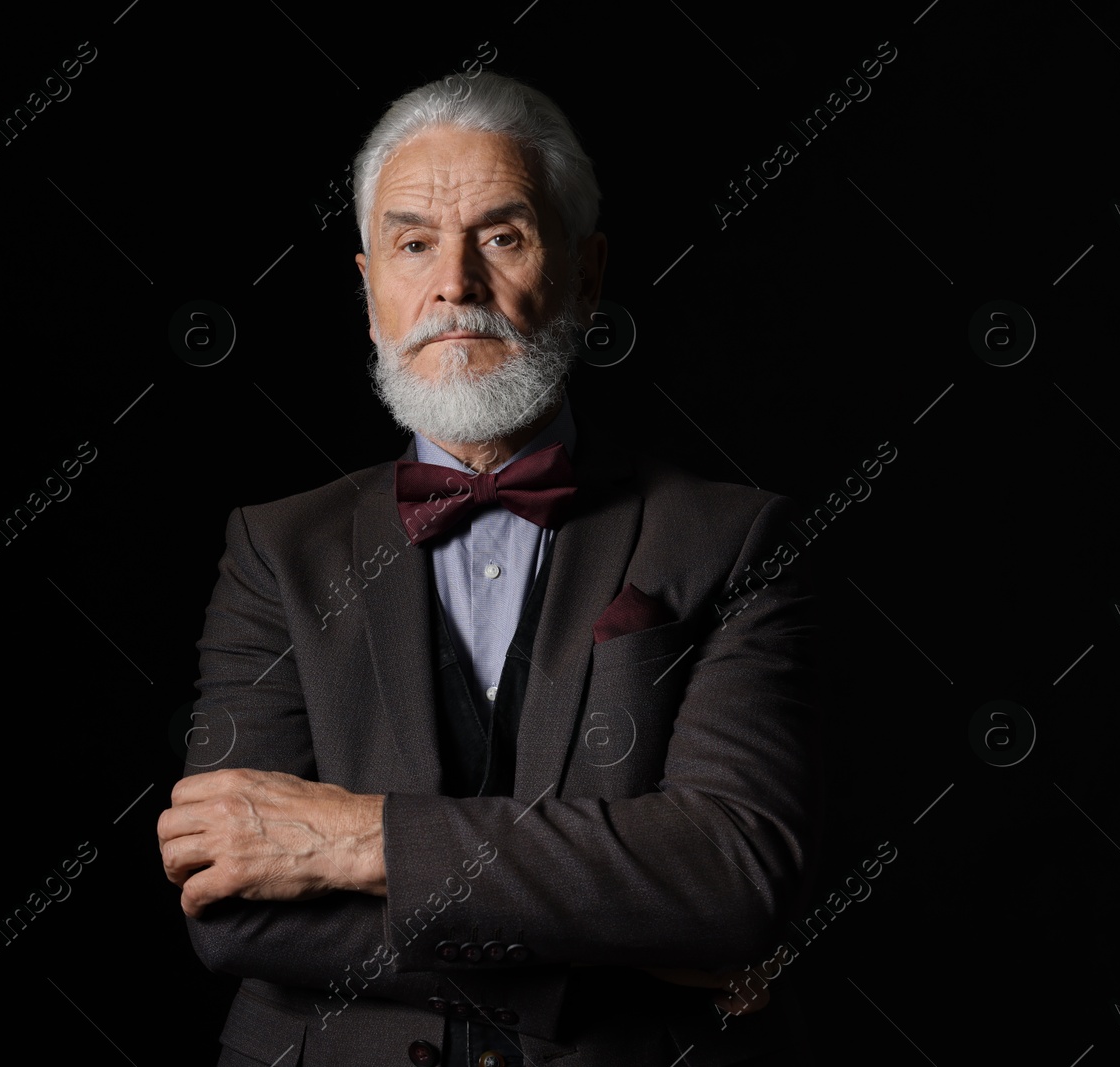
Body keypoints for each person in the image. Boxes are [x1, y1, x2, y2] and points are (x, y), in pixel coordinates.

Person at [157, 70, 819, 1066]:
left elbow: (730, 876)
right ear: (370, 284)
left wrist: (355, 840)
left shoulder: (732, 536)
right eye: (413, 242)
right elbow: (232, 907)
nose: (454, 286)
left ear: (586, 273)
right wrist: (621, 945)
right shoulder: (271, 547)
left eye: (501, 238)